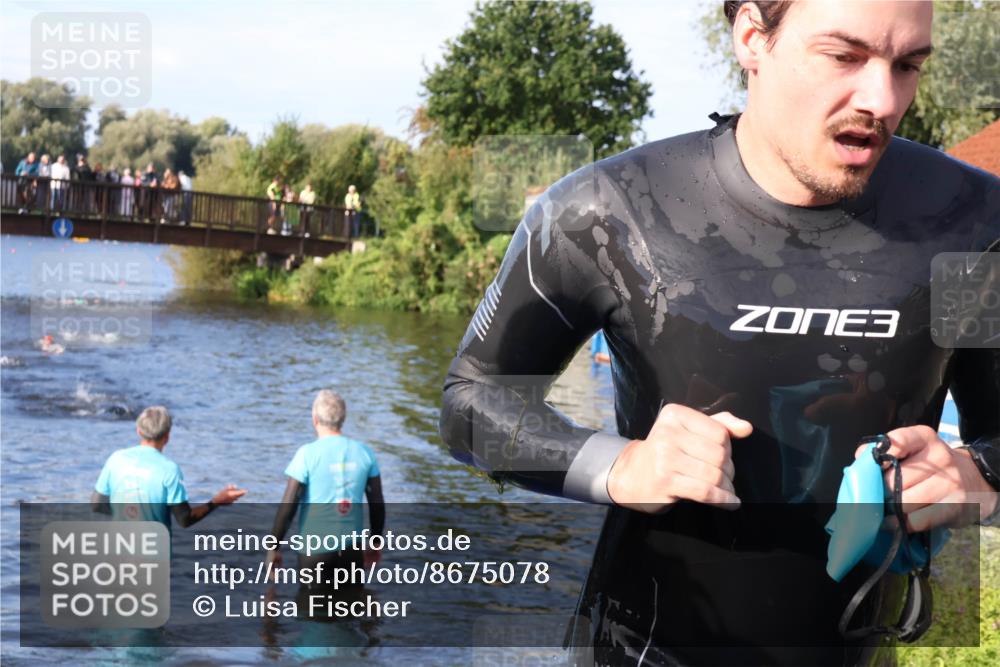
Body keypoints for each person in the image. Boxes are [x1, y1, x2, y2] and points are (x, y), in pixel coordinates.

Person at [439, 2, 1000, 665]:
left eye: (907, 64)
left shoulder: (968, 225)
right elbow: (472, 402)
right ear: (752, 38)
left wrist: (977, 473)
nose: (882, 98)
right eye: (844, 57)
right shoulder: (606, 212)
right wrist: (620, 465)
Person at [267, 390, 385, 598]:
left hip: (314, 553)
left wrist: (274, 547)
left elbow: (289, 504)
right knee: (350, 609)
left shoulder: (306, 454)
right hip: (351, 551)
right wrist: (375, 542)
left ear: (314, 419)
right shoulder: (365, 453)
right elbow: (377, 503)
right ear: (343, 419)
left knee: (312, 612)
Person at [91, 406, 246, 530]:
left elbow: (97, 504)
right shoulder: (169, 470)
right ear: (167, 437)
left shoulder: (116, 459)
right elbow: (185, 519)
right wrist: (217, 501)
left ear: (139, 431)